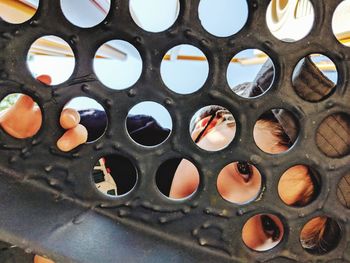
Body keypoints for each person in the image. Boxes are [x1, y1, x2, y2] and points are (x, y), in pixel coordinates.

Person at [0, 57, 343, 261]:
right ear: (212, 124)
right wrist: (29, 148)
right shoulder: (130, 133)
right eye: (243, 170)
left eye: (270, 225)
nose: (229, 204)